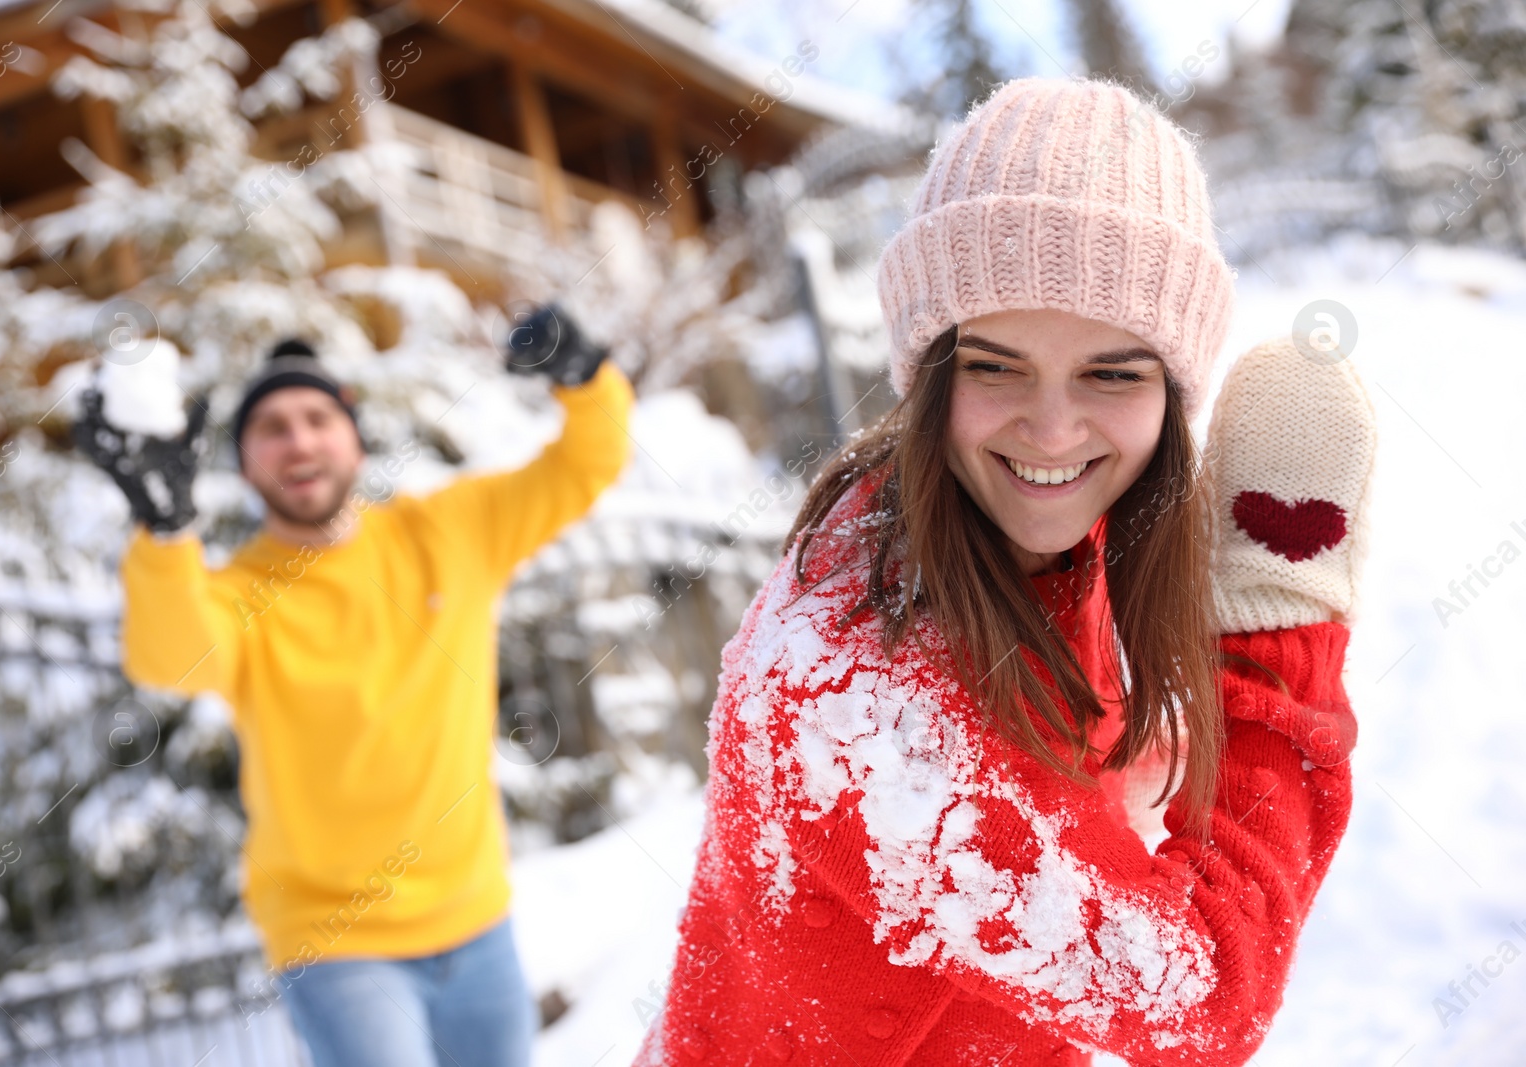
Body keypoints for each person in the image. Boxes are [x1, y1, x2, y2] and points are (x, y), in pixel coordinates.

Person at [635, 77, 1378, 1065]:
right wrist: (1277, 632)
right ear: (930, 370)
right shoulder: (853, 695)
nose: (1054, 429)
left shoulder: (1027, 538)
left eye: (1111, 371)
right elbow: (1192, 993)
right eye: (995, 364)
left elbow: (1072, 771)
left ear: (1169, 395)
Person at [74, 308, 634, 1067]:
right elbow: (168, 657)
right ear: (245, 464)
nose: (299, 440)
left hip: (477, 919)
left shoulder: (449, 533)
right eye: (271, 427)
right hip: (337, 941)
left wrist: (586, 374)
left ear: (354, 438)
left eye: (316, 417)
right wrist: (165, 528)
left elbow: (584, 465)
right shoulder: (242, 594)